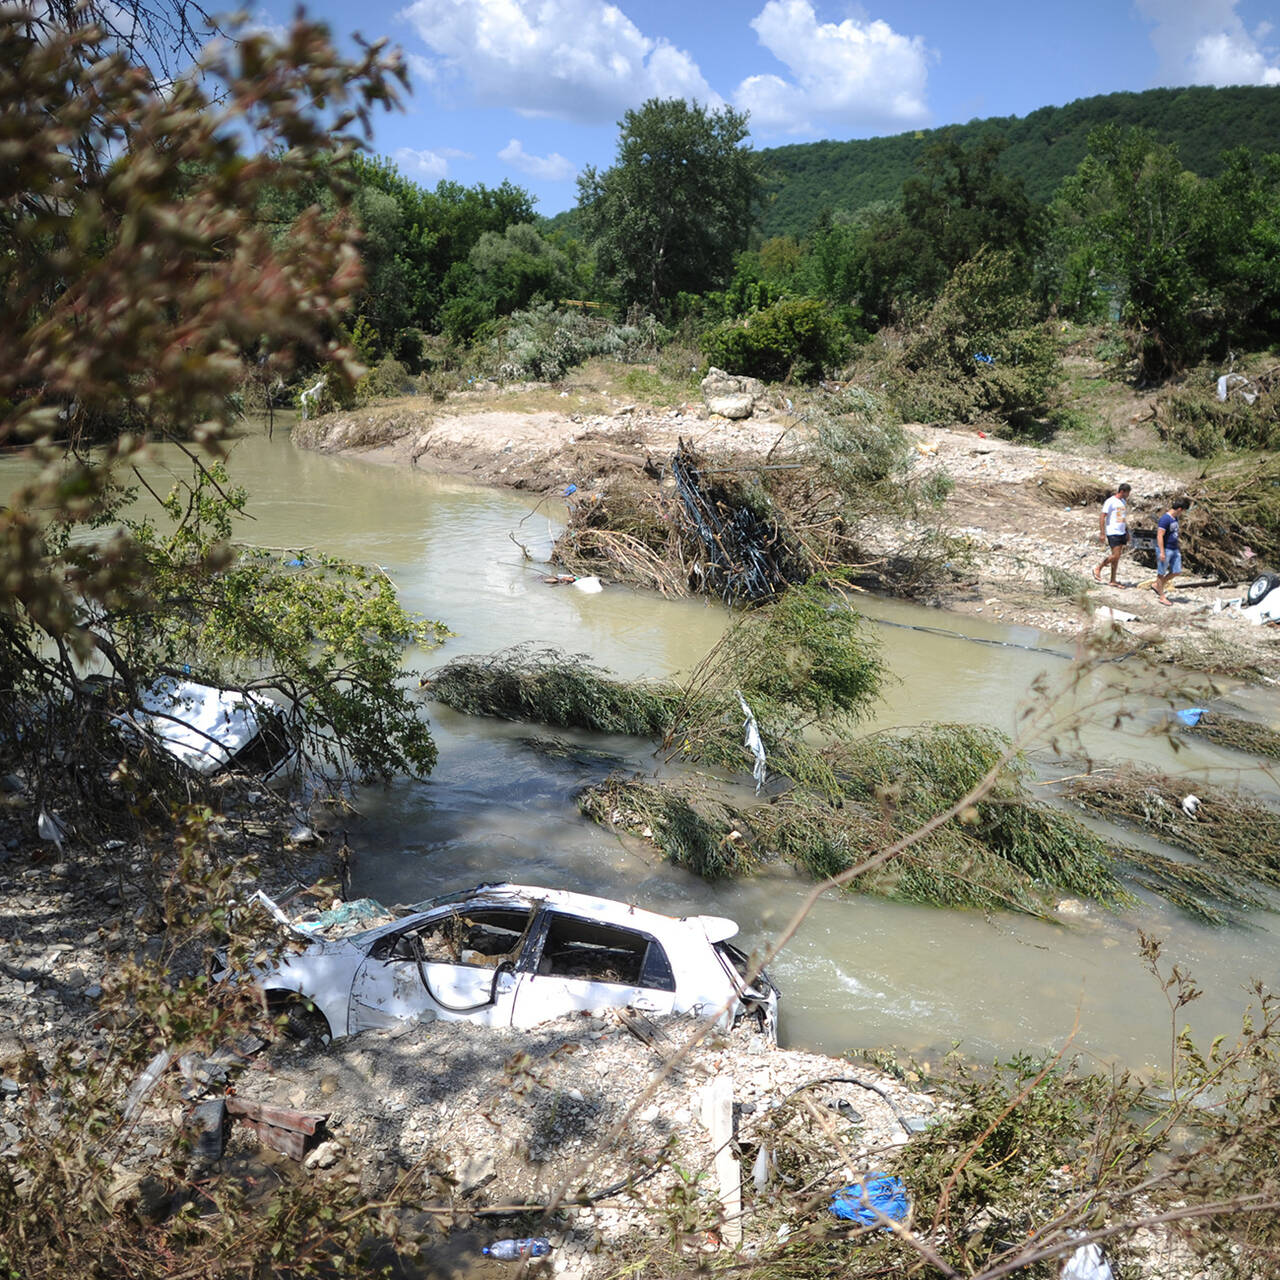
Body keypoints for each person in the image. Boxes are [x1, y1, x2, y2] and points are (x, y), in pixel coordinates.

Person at [1154, 498, 1191, 605]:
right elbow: (1160, 535)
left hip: (1174, 548)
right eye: (1183, 510)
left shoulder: (1175, 519)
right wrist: (1161, 552)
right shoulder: (1165, 519)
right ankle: (1162, 596)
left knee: (1177, 571)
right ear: (1179, 509)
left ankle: (1157, 585)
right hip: (1165, 548)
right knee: (1161, 573)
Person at [1094, 482, 1132, 585]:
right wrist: (1102, 533)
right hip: (1113, 531)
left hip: (1121, 531)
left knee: (1117, 557)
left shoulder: (1123, 502)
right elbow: (1102, 516)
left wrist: (1127, 531)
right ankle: (1099, 568)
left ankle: (1113, 580)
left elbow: (1123, 518)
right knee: (1115, 555)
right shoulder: (1110, 501)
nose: (1128, 495)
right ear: (1122, 491)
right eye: (1127, 493)